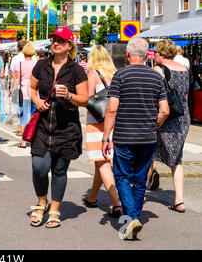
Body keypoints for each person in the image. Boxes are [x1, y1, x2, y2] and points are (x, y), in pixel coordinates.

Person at [102, 37, 169, 240]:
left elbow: (112, 108)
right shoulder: (157, 77)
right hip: (147, 138)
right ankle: (135, 218)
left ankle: (131, 217)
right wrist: (153, 125)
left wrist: (106, 137)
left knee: (122, 177)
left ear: (128, 54)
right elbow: (164, 111)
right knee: (140, 180)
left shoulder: (120, 75)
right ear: (147, 55)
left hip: (124, 135)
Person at [29, 27, 89, 228]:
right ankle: (41, 202)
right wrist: (36, 101)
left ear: (69, 46)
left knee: (59, 171)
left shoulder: (76, 70)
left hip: (66, 129)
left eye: (61, 41)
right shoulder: (41, 65)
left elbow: (84, 99)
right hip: (43, 127)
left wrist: (69, 95)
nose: (56, 43)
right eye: (54, 40)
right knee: (39, 167)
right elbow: (31, 87)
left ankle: (54, 209)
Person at [81, 45, 122, 218]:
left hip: (97, 123)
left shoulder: (93, 74)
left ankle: (117, 203)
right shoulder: (116, 74)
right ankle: (92, 197)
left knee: (103, 163)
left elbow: (87, 99)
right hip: (114, 122)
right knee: (101, 160)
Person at [151, 39, 190, 213]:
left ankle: (140, 194)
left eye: (156, 52)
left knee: (149, 153)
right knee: (177, 159)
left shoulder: (158, 70)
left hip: (164, 116)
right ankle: (179, 200)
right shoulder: (184, 69)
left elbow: (152, 96)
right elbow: (186, 95)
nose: (154, 55)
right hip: (183, 117)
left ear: (161, 54)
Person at [9, 43, 37, 148]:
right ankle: (34, 140)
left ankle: (24, 141)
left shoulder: (19, 64)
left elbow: (17, 79)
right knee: (34, 116)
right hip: (34, 92)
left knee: (23, 116)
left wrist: (13, 89)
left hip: (23, 92)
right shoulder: (36, 64)